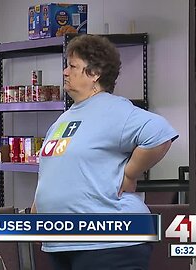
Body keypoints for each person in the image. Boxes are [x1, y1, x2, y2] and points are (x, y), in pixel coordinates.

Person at [32, 34, 179, 270]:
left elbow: (160, 133)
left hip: (109, 242)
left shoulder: (114, 109)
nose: (65, 72)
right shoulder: (64, 118)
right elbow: (55, 170)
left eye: (72, 66)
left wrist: (130, 174)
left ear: (95, 74)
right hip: (63, 242)